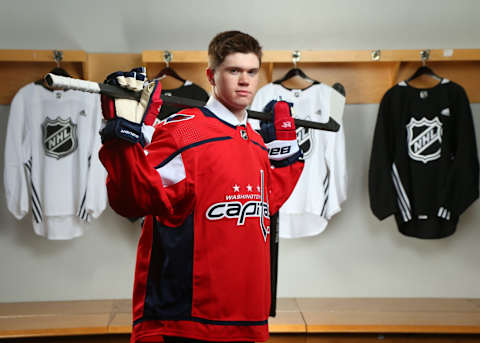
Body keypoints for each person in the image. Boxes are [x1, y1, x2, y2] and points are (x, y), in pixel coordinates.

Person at [98, 31, 304, 343]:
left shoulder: (257, 142)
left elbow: (265, 206)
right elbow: (133, 200)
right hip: (187, 321)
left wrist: (286, 154)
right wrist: (122, 138)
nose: (245, 80)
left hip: (249, 318)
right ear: (211, 75)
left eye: (251, 71)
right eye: (233, 71)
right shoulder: (184, 132)